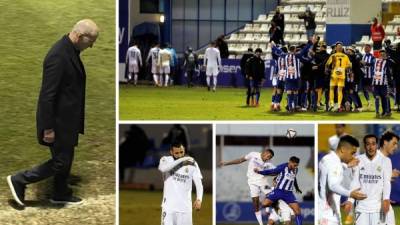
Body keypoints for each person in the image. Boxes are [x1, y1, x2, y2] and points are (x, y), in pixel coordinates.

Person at [7, 19, 99, 206]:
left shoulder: (69, 50)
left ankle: (60, 193)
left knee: (66, 157)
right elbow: (47, 96)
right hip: (58, 121)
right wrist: (48, 128)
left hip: (67, 120)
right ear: (80, 36)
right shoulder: (58, 56)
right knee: (60, 162)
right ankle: (19, 180)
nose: (92, 46)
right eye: (91, 42)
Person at [218, 148, 283, 225]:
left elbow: (276, 172)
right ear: (264, 153)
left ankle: (281, 218)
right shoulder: (253, 154)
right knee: (255, 204)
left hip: (263, 182)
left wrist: (267, 173)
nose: (268, 159)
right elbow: (240, 160)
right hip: (252, 182)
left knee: (273, 199)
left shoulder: (268, 164)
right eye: (268, 156)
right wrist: (226, 163)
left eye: (270, 158)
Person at [318, 135, 367, 225]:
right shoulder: (335, 163)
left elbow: (330, 174)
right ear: (343, 149)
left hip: (322, 211)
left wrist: (346, 166)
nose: (353, 157)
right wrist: (350, 194)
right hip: (328, 216)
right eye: (352, 153)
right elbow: (333, 185)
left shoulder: (326, 159)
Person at [343, 134, 392, 225]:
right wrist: (350, 200)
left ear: (377, 145)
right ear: (364, 145)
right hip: (361, 209)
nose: (371, 147)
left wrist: (386, 199)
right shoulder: (358, 160)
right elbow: (355, 182)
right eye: (368, 144)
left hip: (378, 209)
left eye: (373, 144)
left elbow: (387, 183)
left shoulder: (385, 161)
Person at [158, 142, 203, 225]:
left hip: (185, 209)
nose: (180, 155)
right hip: (168, 208)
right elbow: (163, 169)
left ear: (184, 150)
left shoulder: (192, 163)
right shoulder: (165, 160)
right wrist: (182, 160)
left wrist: (199, 199)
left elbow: (199, 183)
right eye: (177, 153)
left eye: (182, 152)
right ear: (171, 152)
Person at [255, 156, 303, 225]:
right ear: (290, 162)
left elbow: (294, 178)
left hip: (288, 193)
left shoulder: (296, 170)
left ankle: (278, 210)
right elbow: (271, 172)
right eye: (294, 165)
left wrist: (297, 187)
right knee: (264, 204)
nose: (295, 167)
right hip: (279, 191)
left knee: (297, 211)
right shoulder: (282, 167)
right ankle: (275, 209)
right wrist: (260, 172)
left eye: (297, 165)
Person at [378, 130, 400, 225]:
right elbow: (370, 180)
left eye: (397, 144)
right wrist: (389, 175)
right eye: (394, 143)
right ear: (385, 142)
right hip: (373, 206)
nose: (396, 147)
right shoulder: (374, 158)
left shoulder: (387, 161)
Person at [325, 42, 352, 112]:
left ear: (336, 48)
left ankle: (332, 104)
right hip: (342, 75)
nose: (339, 48)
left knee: (332, 89)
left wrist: (329, 70)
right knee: (339, 90)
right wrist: (344, 68)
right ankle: (339, 105)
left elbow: (327, 64)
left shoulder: (333, 56)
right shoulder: (345, 56)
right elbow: (349, 65)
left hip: (334, 75)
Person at [372, 49, 391, 117]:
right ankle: (377, 112)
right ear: (379, 55)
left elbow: (392, 64)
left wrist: (387, 58)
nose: (382, 55)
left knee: (385, 98)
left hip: (384, 83)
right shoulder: (375, 61)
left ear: (385, 55)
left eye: (384, 54)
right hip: (376, 83)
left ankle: (386, 111)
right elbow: (371, 64)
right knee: (376, 97)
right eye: (381, 54)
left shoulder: (388, 61)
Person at [360, 44, 375, 110]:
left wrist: (365, 63)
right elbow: (361, 64)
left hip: (370, 75)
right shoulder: (363, 56)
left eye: (367, 48)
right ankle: (369, 102)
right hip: (364, 75)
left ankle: (376, 101)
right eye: (364, 48)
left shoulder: (372, 57)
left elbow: (372, 64)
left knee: (372, 89)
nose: (365, 49)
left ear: (370, 49)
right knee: (364, 89)